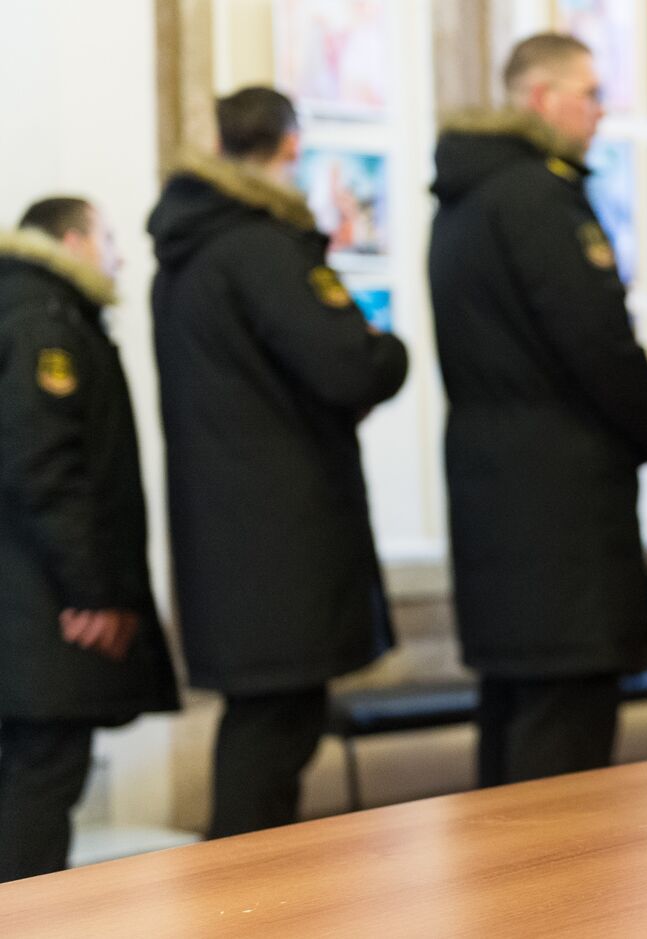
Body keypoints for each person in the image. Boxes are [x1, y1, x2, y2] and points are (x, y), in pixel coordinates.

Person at [149, 87, 408, 836]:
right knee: (273, 732)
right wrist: (390, 350)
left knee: (266, 722)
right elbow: (350, 364)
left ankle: (241, 898)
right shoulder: (261, 246)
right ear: (292, 147)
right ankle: (238, 904)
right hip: (280, 532)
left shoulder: (191, 251)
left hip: (228, 527)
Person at [429, 34, 647, 786]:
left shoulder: (465, 199)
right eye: (591, 94)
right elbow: (596, 338)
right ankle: (547, 904)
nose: (602, 112)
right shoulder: (539, 197)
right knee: (563, 737)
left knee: (515, 709)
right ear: (542, 99)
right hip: (560, 503)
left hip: (496, 489)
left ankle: (503, 900)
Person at [0, 198, 178, 880]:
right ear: (71, 240)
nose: (118, 256)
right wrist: (94, 591)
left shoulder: (33, 309)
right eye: (107, 237)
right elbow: (44, 468)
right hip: (44, 601)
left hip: (33, 593)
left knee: (36, 770)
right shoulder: (45, 321)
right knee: (43, 773)